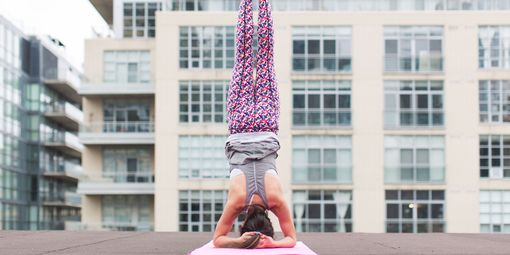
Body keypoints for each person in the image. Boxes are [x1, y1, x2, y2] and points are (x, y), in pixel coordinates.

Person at [212, 0, 297, 249]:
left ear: (271, 221)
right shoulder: (236, 202)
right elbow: (218, 241)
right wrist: (240, 242)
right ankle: (247, 2)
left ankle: (263, 2)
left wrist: (272, 244)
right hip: (239, 124)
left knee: (265, 58)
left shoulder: (277, 200)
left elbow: (292, 240)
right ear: (242, 224)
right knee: (244, 57)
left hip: (266, 123)